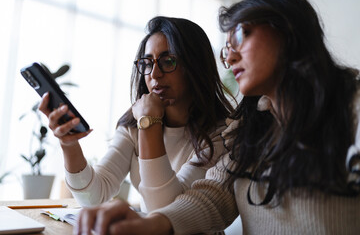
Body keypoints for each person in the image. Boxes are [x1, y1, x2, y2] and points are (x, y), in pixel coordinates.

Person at [74, 0, 360, 234]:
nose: (230, 56)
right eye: (226, 48)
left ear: (288, 31)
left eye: (240, 34)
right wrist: (150, 222)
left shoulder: (352, 108)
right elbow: (212, 197)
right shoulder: (249, 130)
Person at [39, 16, 234, 213]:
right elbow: (93, 197)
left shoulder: (222, 135)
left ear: (195, 65)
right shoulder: (135, 123)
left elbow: (167, 212)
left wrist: (150, 124)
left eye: (168, 61)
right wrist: (69, 144)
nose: (154, 74)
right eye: (147, 63)